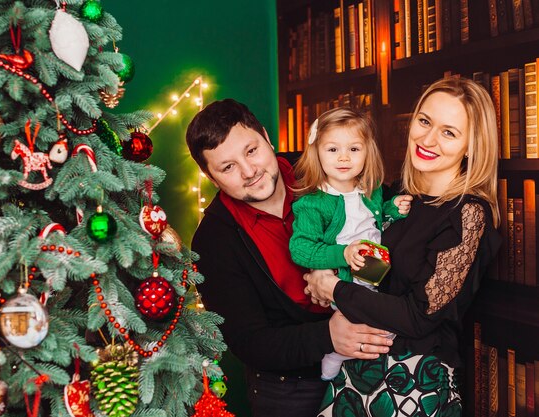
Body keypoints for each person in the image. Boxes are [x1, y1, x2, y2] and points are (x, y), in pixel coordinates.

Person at [304, 77, 501, 416]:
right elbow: (384, 277)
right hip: (356, 372)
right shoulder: (395, 197)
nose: (428, 139)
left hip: (414, 384)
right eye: (424, 122)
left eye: (449, 132)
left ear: (471, 145)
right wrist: (327, 273)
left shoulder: (468, 213)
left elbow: (417, 317)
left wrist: (335, 289)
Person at [185, 98, 395, 417]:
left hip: (376, 359)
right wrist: (328, 335)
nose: (249, 171)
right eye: (227, 167)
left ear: (268, 138)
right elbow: (249, 342)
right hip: (289, 389)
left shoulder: (323, 165)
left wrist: (350, 285)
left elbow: (384, 230)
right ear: (212, 179)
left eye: (252, 150)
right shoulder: (213, 241)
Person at [289, 107, 412, 381]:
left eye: (354, 149)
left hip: (378, 272)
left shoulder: (371, 190)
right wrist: (342, 254)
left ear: (367, 152)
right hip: (348, 281)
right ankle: (335, 354)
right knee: (379, 328)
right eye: (332, 150)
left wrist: (393, 208)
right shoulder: (313, 203)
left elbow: (376, 221)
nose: (344, 157)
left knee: (390, 324)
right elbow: (300, 248)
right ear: (317, 152)